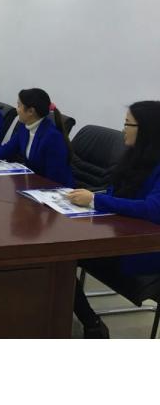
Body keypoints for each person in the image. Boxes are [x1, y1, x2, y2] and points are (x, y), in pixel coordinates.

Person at [68, 101, 160, 338]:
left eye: (128, 124)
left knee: (63, 259)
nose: (123, 130)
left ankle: (92, 325)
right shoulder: (133, 156)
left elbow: (153, 209)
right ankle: (88, 321)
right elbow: (114, 191)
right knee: (58, 256)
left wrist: (96, 201)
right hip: (117, 233)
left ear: (147, 130)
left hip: (144, 248)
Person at [0, 88, 73, 185]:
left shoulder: (52, 137)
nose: (16, 109)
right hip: (33, 184)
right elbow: (8, 149)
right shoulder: (25, 127)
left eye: (19, 106)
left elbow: (54, 178)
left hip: (53, 189)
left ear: (31, 111)